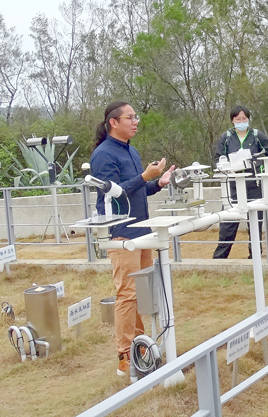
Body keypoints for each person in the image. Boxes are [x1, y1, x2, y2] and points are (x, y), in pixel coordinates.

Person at [90, 101, 175, 376]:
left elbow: (137, 191)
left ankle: (141, 347)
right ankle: (124, 356)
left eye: (136, 117)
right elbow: (113, 193)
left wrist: (157, 183)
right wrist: (144, 175)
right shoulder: (103, 155)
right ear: (114, 122)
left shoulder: (132, 150)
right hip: (122, 233)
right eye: (130, 117)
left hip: (143, 231)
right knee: (127, 295)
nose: (135, 121)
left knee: (142, 294)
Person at [212, 105, 268, 259]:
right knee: (227, 224)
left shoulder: (257, 136)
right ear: (232, 120)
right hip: (232, 188)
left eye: (244, 118)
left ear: (248, 119)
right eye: (238, 119)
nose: (241, 121)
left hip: (254, 185)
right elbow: (218, 159)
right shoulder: (226, 138)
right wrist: (225, 168)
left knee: (254, 225)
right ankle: (219, 259)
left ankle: (255, 258)